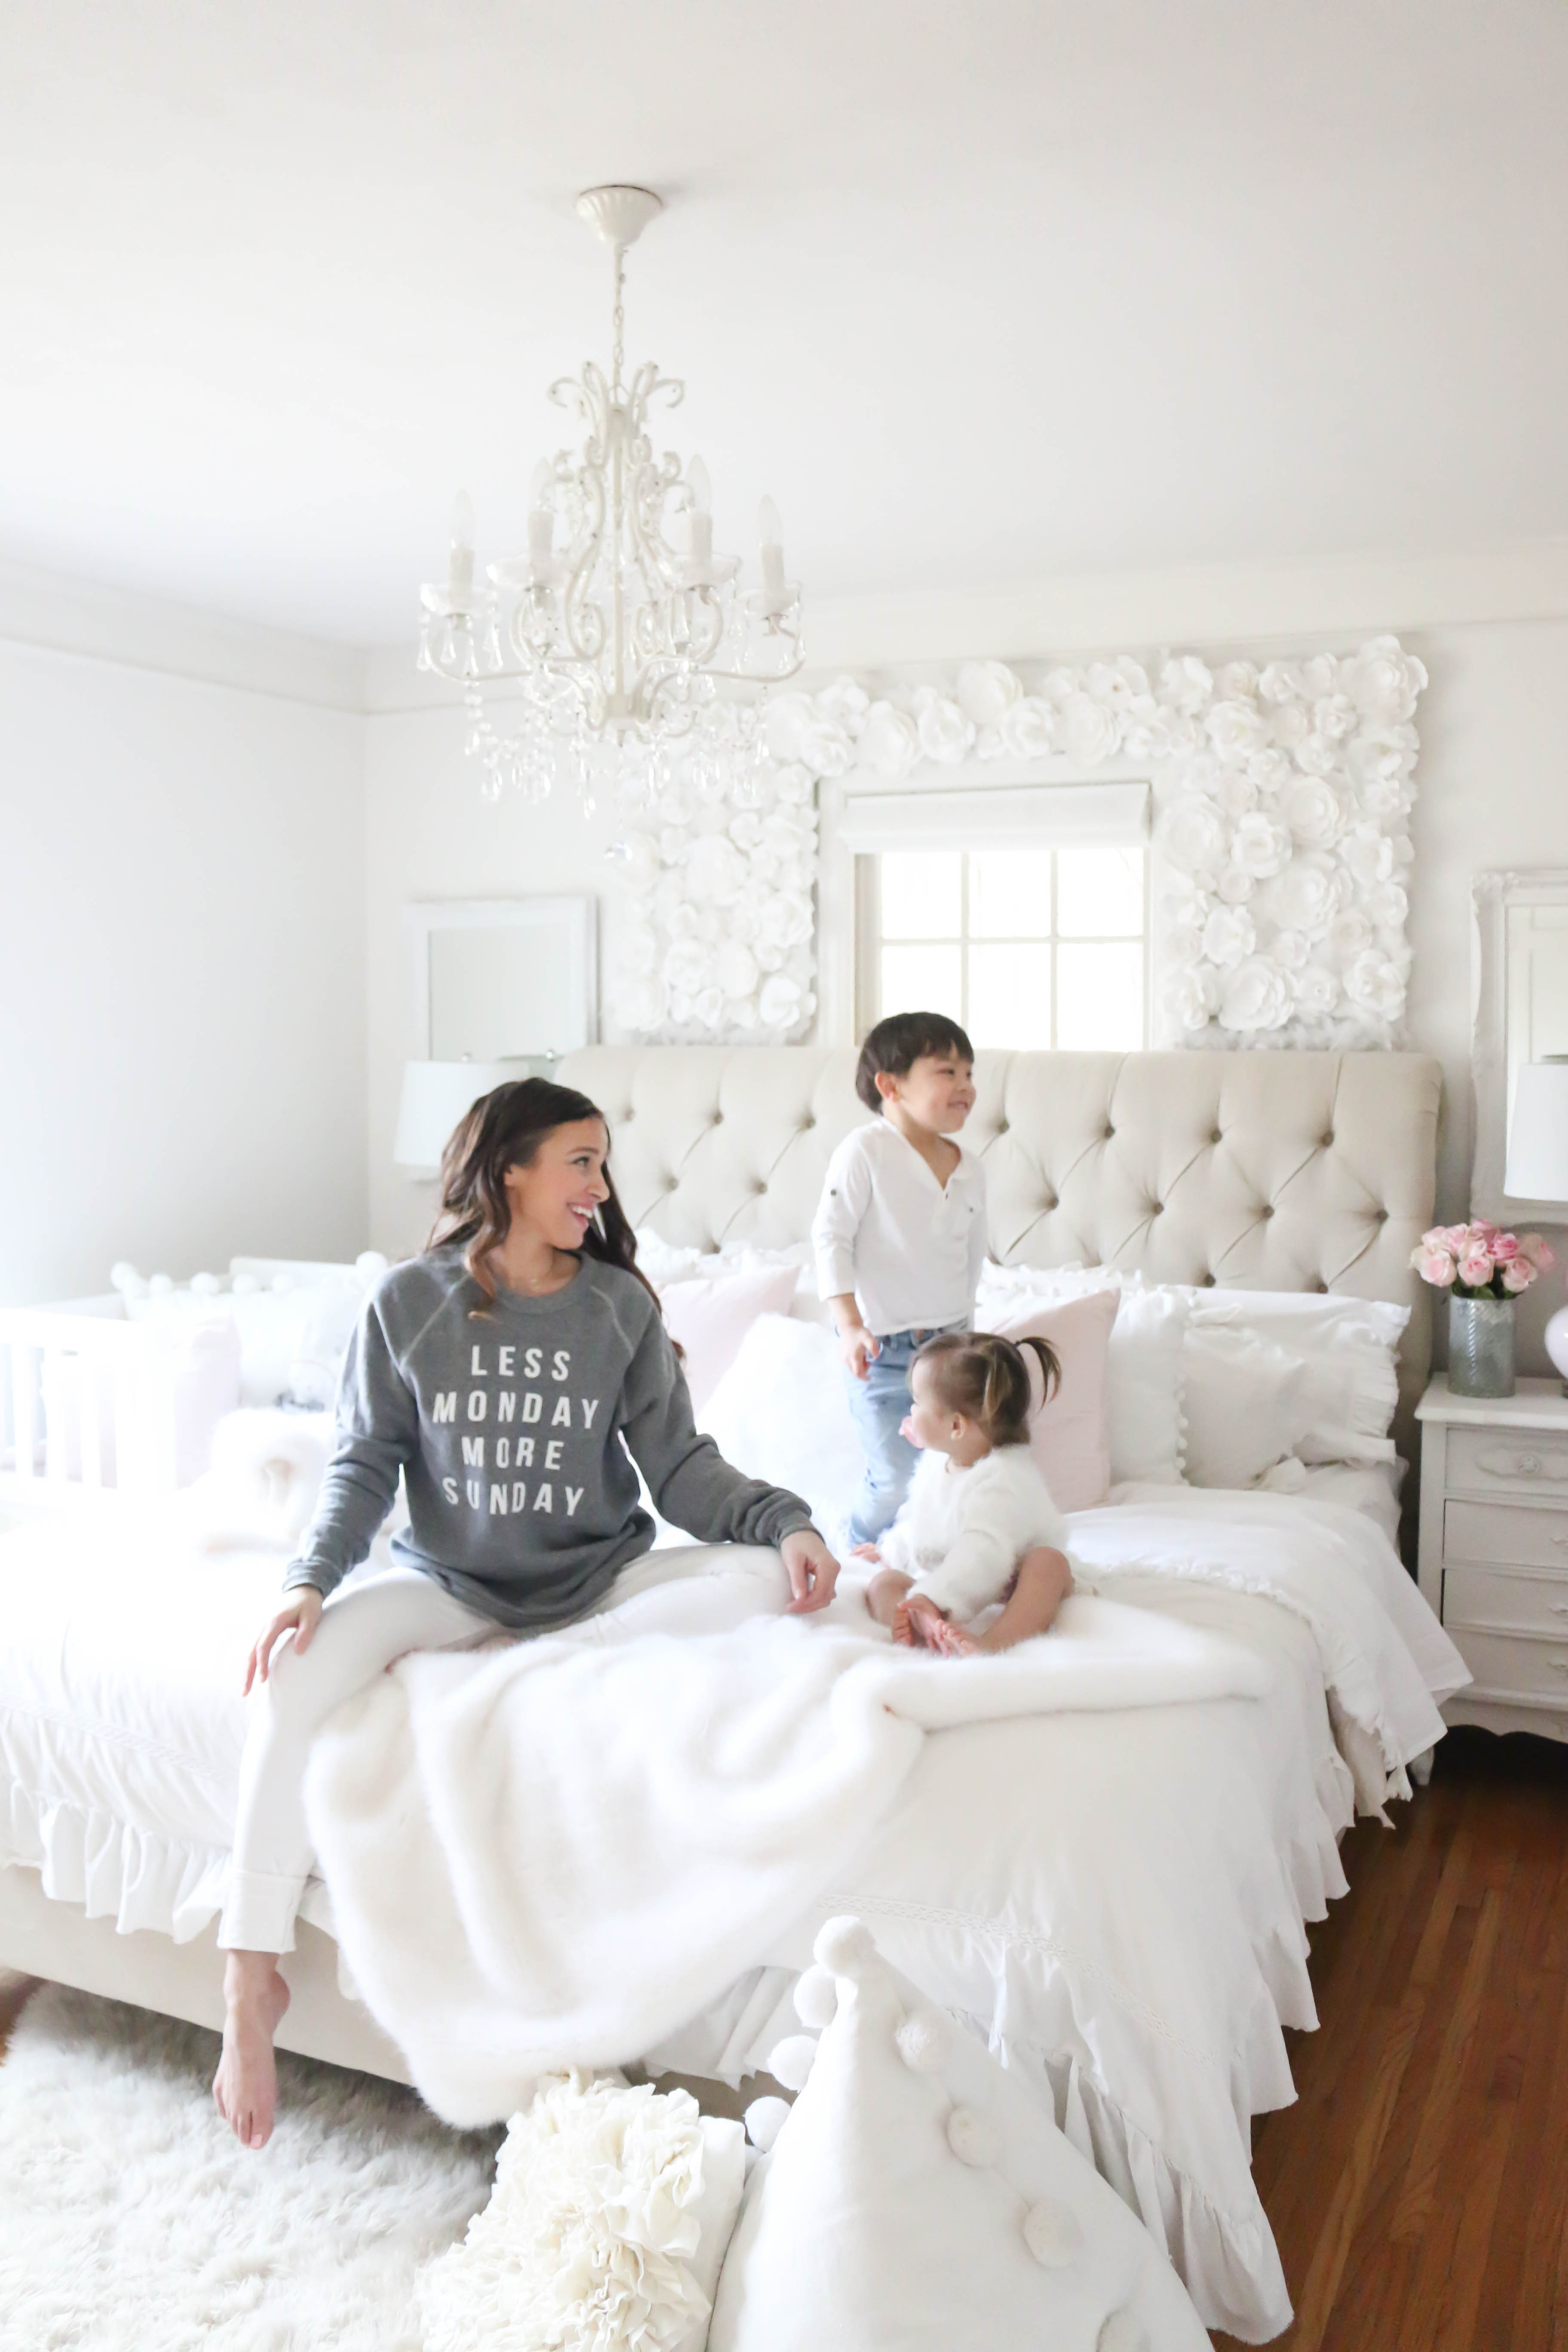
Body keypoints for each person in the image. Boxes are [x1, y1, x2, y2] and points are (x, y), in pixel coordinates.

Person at [213, 1077, 839, 2150]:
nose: (600, 1186)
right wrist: (309, 1580)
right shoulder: (408, 1302)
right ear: (509, 1169)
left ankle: (546, 1657)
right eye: (579, 1162)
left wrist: (785, 1522)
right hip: (448, 1587)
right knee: (293, 1672)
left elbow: (681, 1471)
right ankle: (247, 1979)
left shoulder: (616, 1306)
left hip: (598, 1586)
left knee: (759, 1579)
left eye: (602, 1163)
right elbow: (363, 1464)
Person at [812, 1012, 988, 1547]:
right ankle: (855, 1549)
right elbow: (831, 1238)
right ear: (891, 1086)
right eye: (947, 1072)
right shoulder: (866, 1151)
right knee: (893, 1478)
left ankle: (929, 1555)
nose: (965, 1086)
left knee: (957, 1469)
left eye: (969, 1073)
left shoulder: (969, 1167)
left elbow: (971, 1257)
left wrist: (969, 1336)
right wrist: (849, 1324)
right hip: (883, 1351)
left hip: (951, 1346)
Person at [856, 1330, 1072, 1656]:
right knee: (883, 1585)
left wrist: (933, 1597)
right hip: (949, 1578)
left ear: (956, 1426)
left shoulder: (1003, 1479)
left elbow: (983, 1553)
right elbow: (919, 1521)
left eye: (918, 1402)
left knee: (1048, 1565)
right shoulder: (938, 1462)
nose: (911, 1410)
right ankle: (922, 1628)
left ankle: (995, 1642)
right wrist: (890, 1551)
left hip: (1010, 1579)